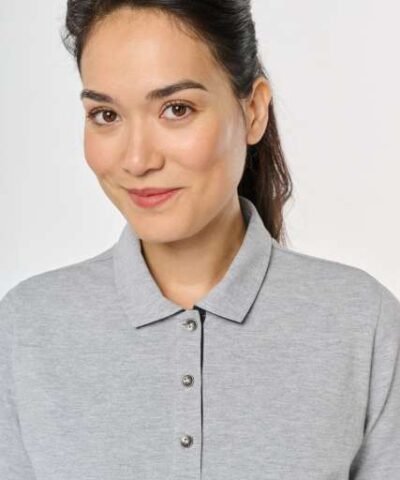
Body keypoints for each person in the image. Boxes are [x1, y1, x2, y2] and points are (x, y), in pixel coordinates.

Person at [0, 1, 399, 479]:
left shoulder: (362, 324)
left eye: (176, 109)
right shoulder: (26, 328)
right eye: (106, 115)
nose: (137, 160)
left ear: (253, 111)